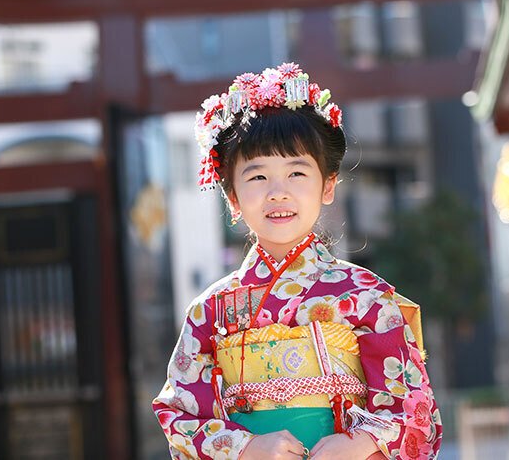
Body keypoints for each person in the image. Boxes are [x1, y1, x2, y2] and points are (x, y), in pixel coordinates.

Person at [153, 63, 442, 459]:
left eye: (297, 173)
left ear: (327, 186)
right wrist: (247, 446)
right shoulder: (209, 310)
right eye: (256, 177)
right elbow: (179, 413)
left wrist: (360, 443)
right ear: (233, 198)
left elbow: (414, 406)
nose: (278, 192)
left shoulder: (367, 297)